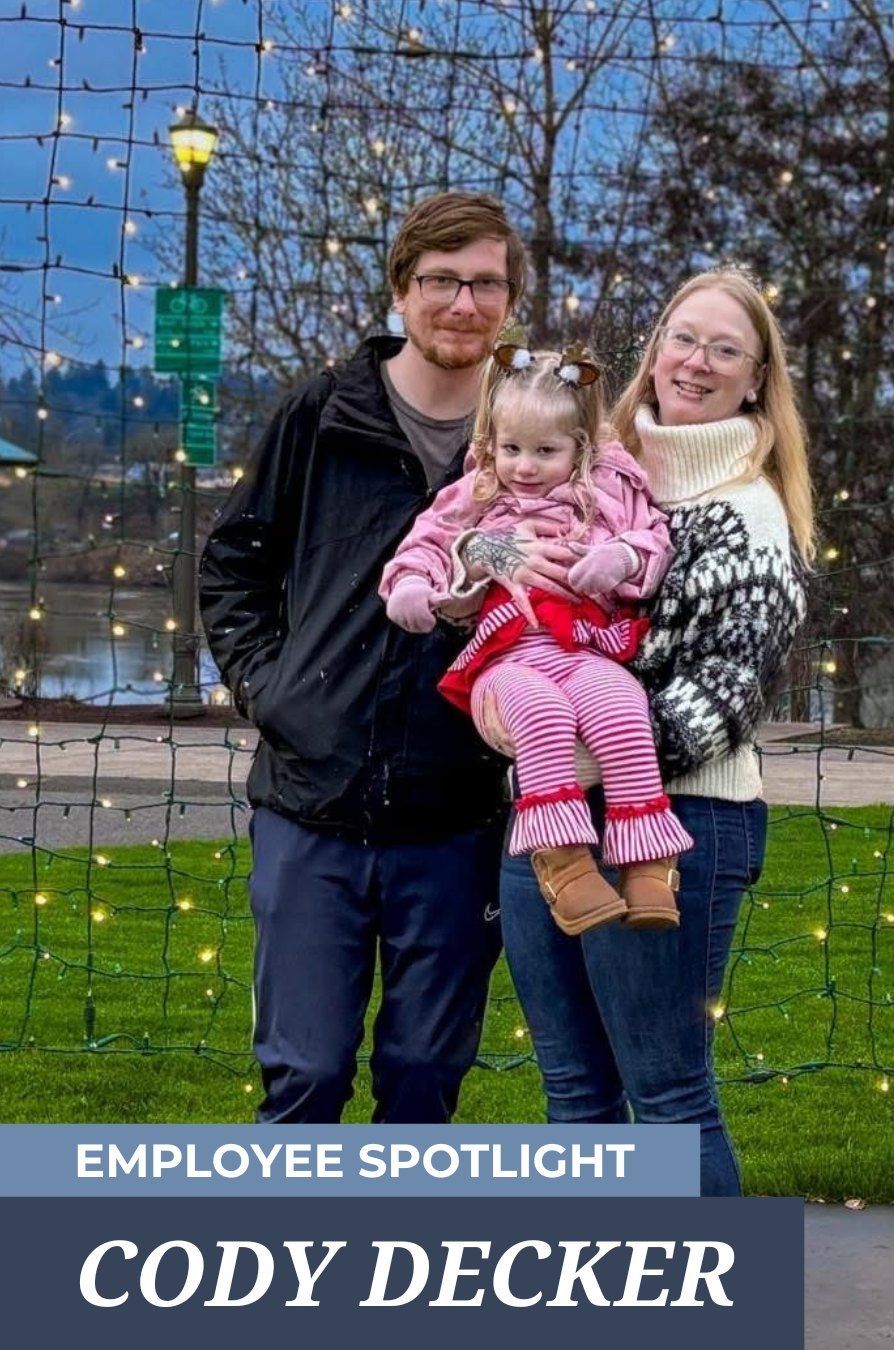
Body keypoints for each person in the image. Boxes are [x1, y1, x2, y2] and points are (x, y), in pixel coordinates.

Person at [465, 267, 813, 1195]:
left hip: (676, 818)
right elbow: (473, 544)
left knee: (668, 1098)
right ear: (656, 352)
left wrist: (556, 746)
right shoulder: (590, 471)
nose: (696, 362)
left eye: (725, 349)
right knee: (575, 1094)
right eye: (682, 338)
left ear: (756, 379)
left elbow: (721, 699)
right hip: (545, 822)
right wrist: (505, 691)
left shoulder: (748, 516)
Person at [199, 192, 535, 1125]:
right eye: (440, 280)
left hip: (460, 810)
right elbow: (232, 563)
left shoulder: (533, 439)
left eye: (485, 284)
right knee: (306, 1076)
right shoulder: (322, 413)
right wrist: (272, 690)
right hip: (312, 801)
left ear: (510, 301)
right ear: (400, 288)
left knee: (424, 1080)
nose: (462, 304)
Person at [379, 345, 694, 936]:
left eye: (545, 451)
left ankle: (648, 859)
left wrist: (621, 558)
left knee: (623, 705)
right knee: (541, 713)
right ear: (492, 443)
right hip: (505, 660)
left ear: (580, 446)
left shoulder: (610, 491)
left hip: (583, 646)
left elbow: (654, 541)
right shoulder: (478, 494)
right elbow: (428, 541)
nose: (524, 467)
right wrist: (413, 585)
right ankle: (564, 863)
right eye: (511, 449)